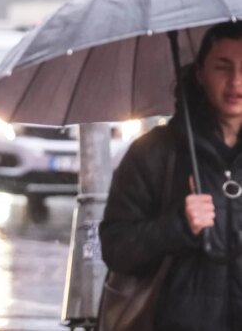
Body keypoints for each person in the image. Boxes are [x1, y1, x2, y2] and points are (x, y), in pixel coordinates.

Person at [100, 21, 242, 330]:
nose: (236, 81)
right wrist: (177, 226)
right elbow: (116, 248)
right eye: (223, 67)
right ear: (200, 73)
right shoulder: (155, 153)